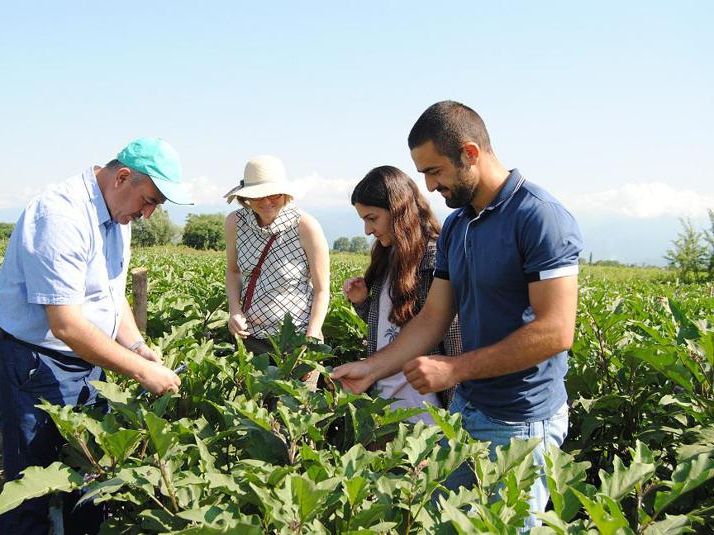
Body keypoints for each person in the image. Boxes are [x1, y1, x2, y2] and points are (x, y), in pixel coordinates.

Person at [331, 101, 583, 529]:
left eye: (435, 171)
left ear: (470, 153)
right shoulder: (458, 226)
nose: (429, 186)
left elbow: (556, 330)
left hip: (521, 422)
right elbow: (433, 317)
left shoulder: (539, 217)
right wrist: (371, 369)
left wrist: (454, 369)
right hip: (467, 410)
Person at [0, 137, 188, 534]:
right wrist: (140, 371)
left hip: (86, 363)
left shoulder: (118, 217)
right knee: (31, 493)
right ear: (122, 177)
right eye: (149, 200)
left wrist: (137, 347)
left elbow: (111, 295)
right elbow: (66, 324)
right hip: (36, 365)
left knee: (90, 483)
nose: (148, 213)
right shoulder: (60, 216)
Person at [342, 166, 461, 424]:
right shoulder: (387, 257)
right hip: (385, 401)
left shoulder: (433, 260)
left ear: (398, 210)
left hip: (426, 413)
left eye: (372, 218)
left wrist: (456, 412)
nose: (367, 230)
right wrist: (362, 302)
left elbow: (451, 338)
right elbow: (391, 329)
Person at [223, 155, 330, 387]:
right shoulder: (235, 223)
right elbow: (233, 272)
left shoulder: (305, 226)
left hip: (297, 342)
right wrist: (234, 311)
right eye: (257, 196)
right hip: (251, 340)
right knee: (254, 405)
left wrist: (311, 337)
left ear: (284, 194)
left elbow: (322, 290)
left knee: (296, 407)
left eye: (273, 195)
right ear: (246, 197)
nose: (266, 202)